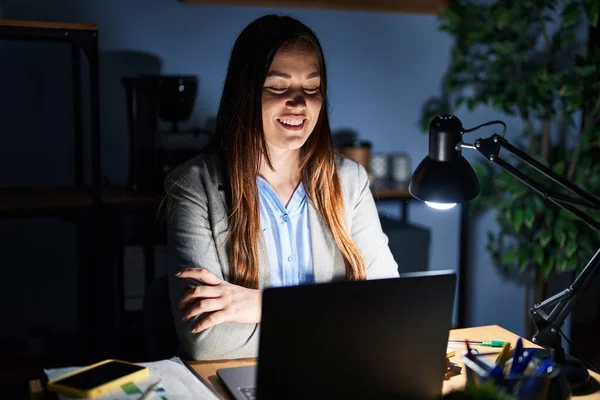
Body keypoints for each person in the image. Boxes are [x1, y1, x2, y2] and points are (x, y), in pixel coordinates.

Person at [165, 14, 399, 361]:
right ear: (245, 93)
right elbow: (208, 341)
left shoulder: (349, 180)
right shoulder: (192, 186)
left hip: (337, 374)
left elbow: (390, 306)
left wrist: (261, 306)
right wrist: (342, 317)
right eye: (278, 87)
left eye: (312, 88)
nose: (300, 103)